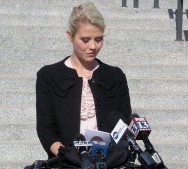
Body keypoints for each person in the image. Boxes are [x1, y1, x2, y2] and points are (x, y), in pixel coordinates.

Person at [35, 2, 132, 168]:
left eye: (99, 39)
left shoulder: (116, 76)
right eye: (85, 40)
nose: (93, 46)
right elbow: (46, 129)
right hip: (66, 163)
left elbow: (123, 123)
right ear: (70, 36)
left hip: (110, 163)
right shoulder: (48, 75)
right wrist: (68, 155)